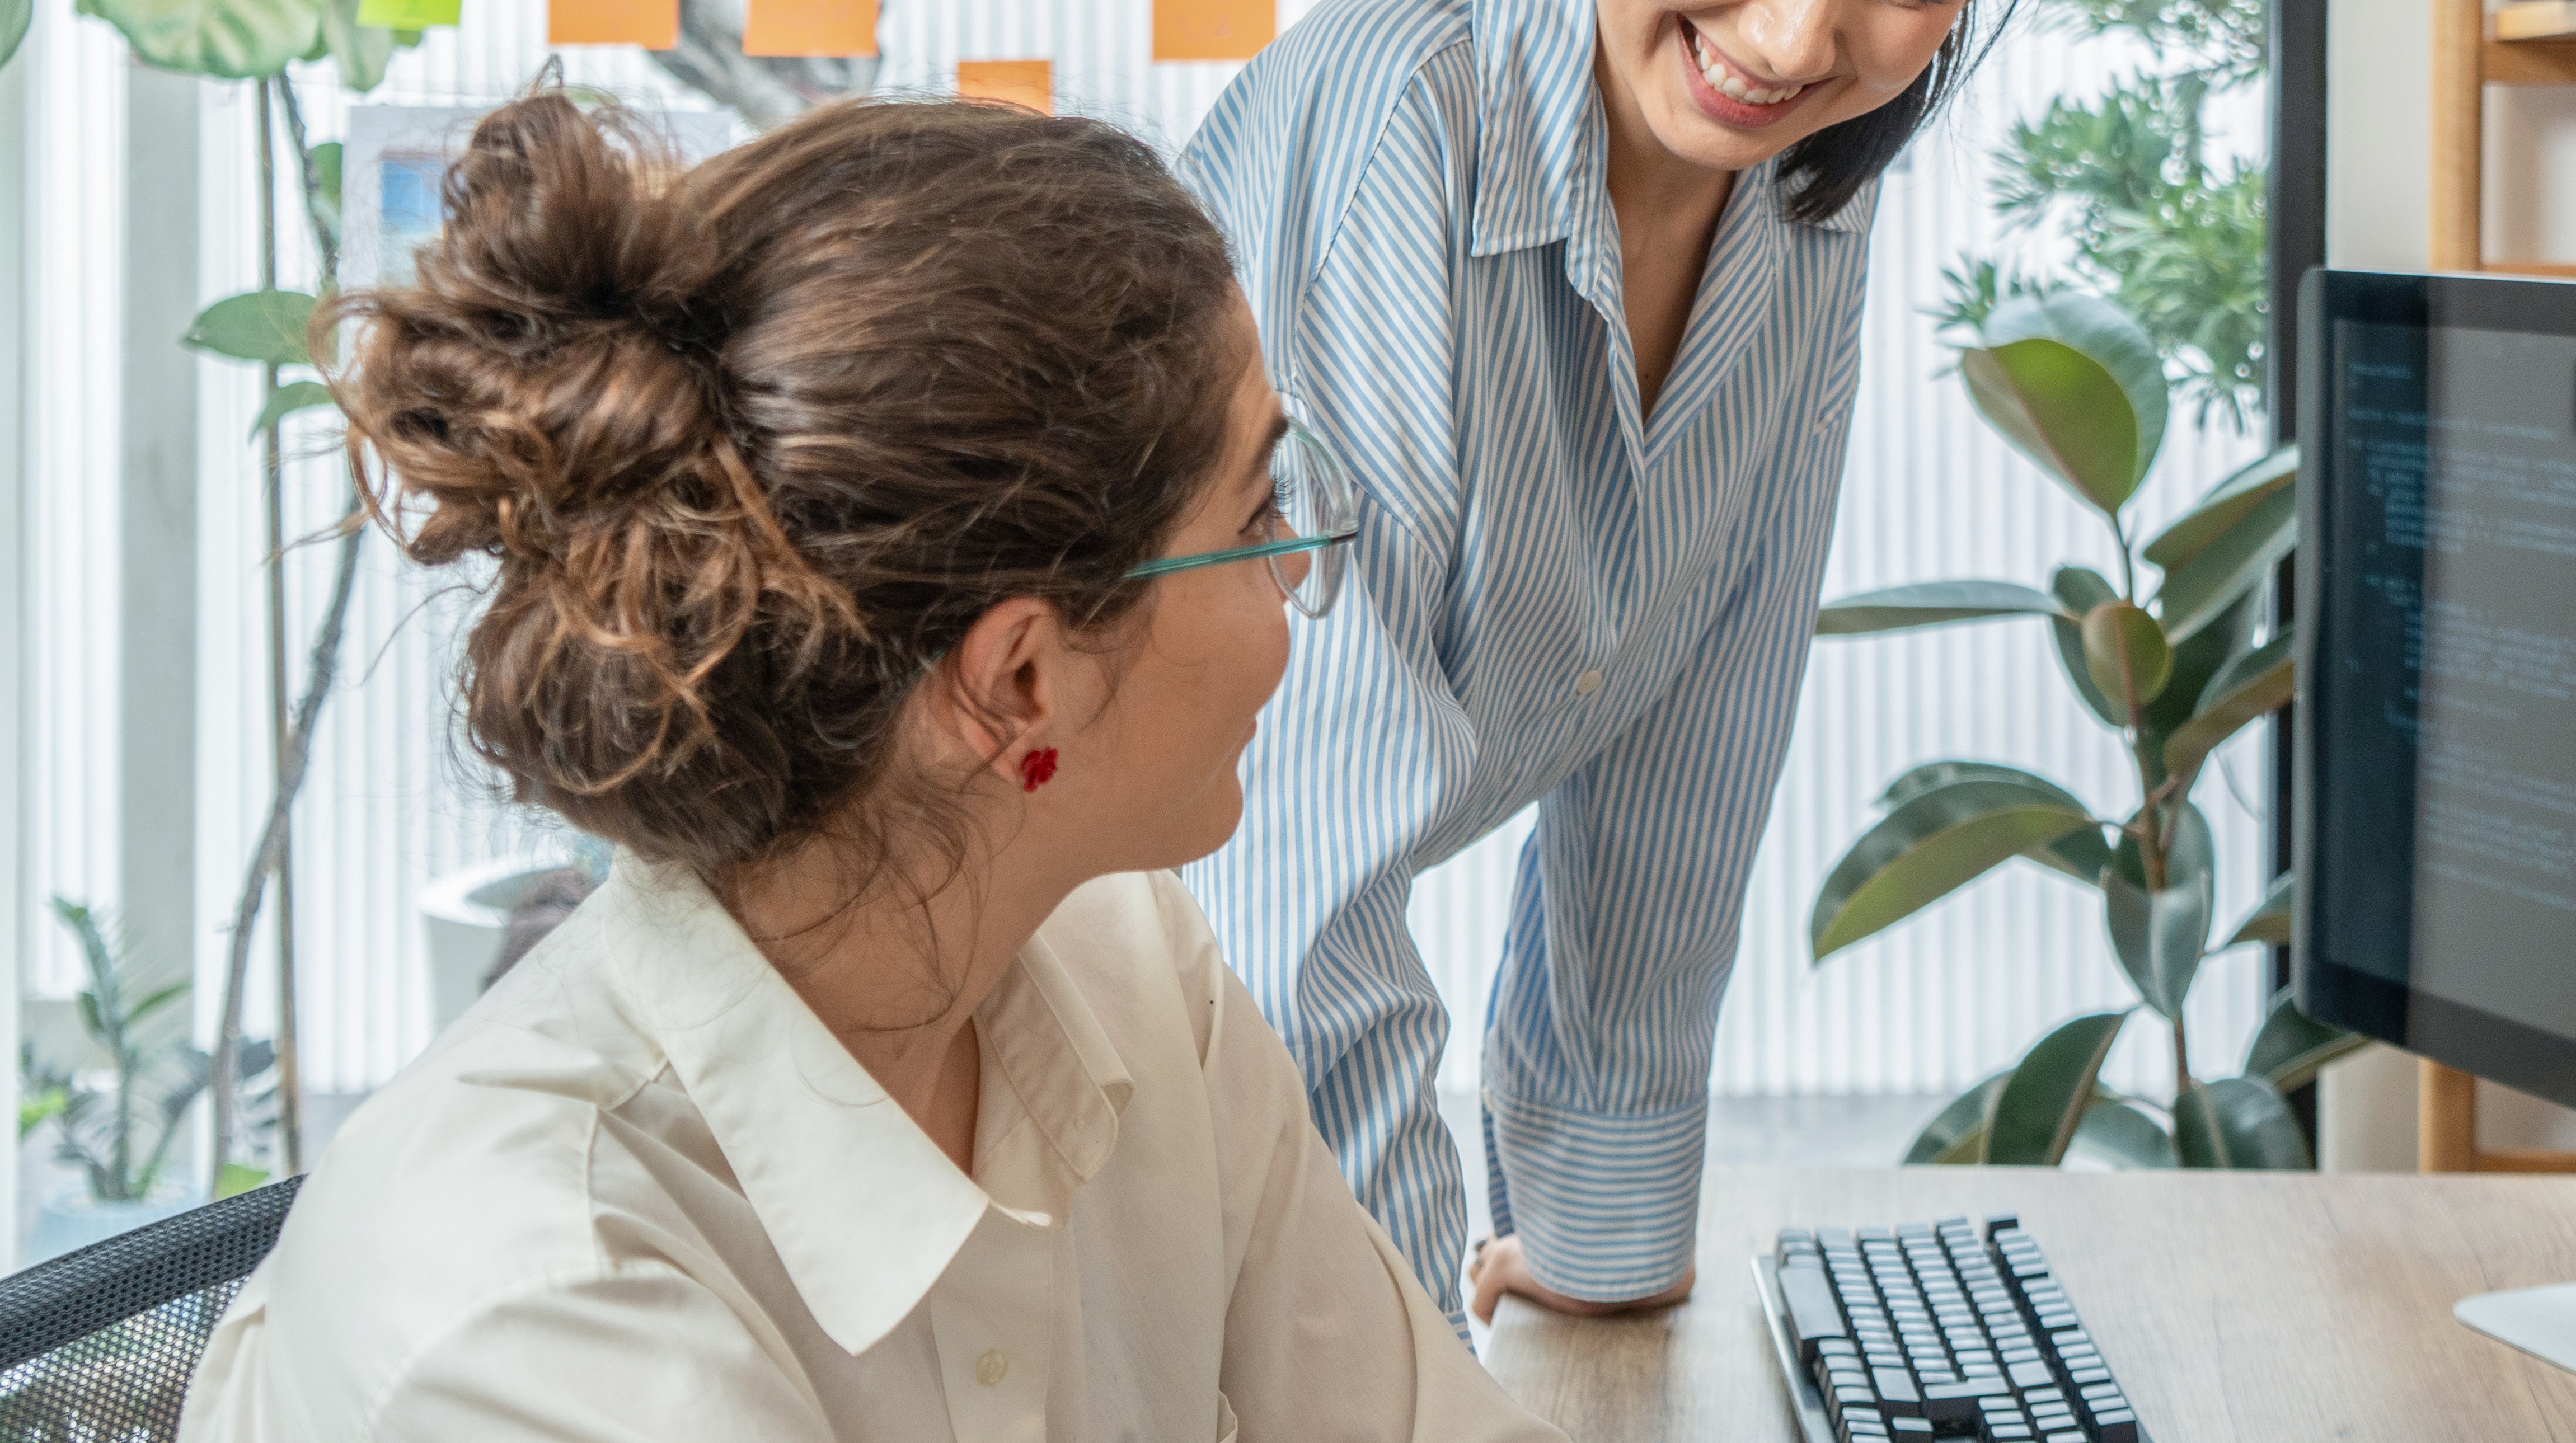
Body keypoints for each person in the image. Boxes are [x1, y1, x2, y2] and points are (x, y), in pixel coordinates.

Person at [176, 90, 1559, 1443]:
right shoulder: (534, 1317)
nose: (1300, 569)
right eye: (1259, 510)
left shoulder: (1135, 973)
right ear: (1020, 680)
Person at [1175, 0, 2086, 1329]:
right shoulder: (1404, 112)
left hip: (1214, 1023)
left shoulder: (1801, 188)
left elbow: (1696, 731)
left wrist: (1603, 1237)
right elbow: (1289, 873)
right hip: (1027, 981)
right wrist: (1410, 1368)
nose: (1798, 33)